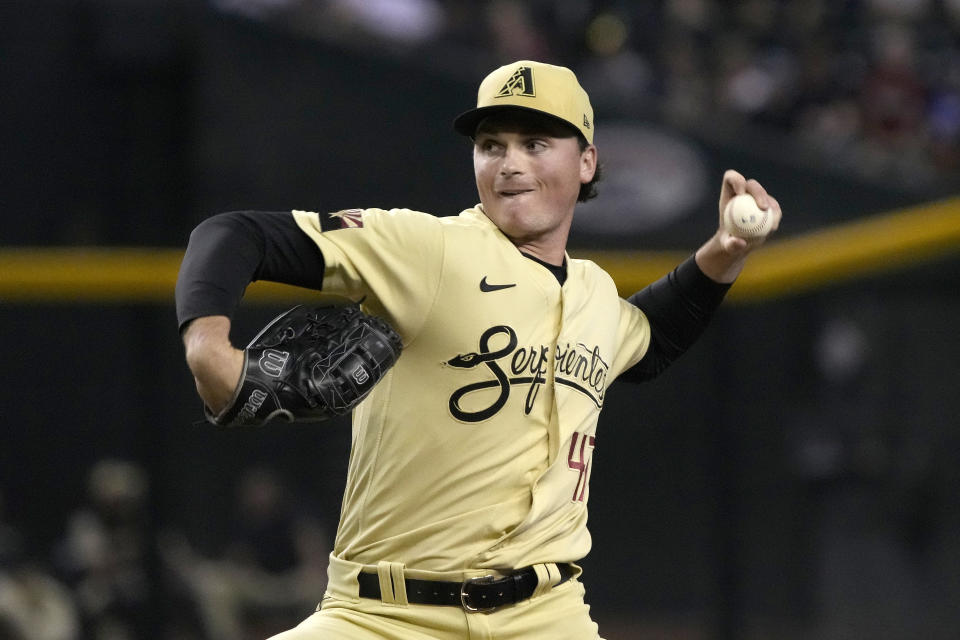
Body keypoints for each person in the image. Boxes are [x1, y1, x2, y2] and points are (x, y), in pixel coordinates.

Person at [175, 60, 781, 639]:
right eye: (492, 145)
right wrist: (208, 346)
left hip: (547, 615)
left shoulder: (595, 292)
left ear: (587, 162)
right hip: (383, 617)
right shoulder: (427, 248)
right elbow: (232, 235)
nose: (510, 163)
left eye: (535, 143)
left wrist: (725, 249)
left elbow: (648, 341)